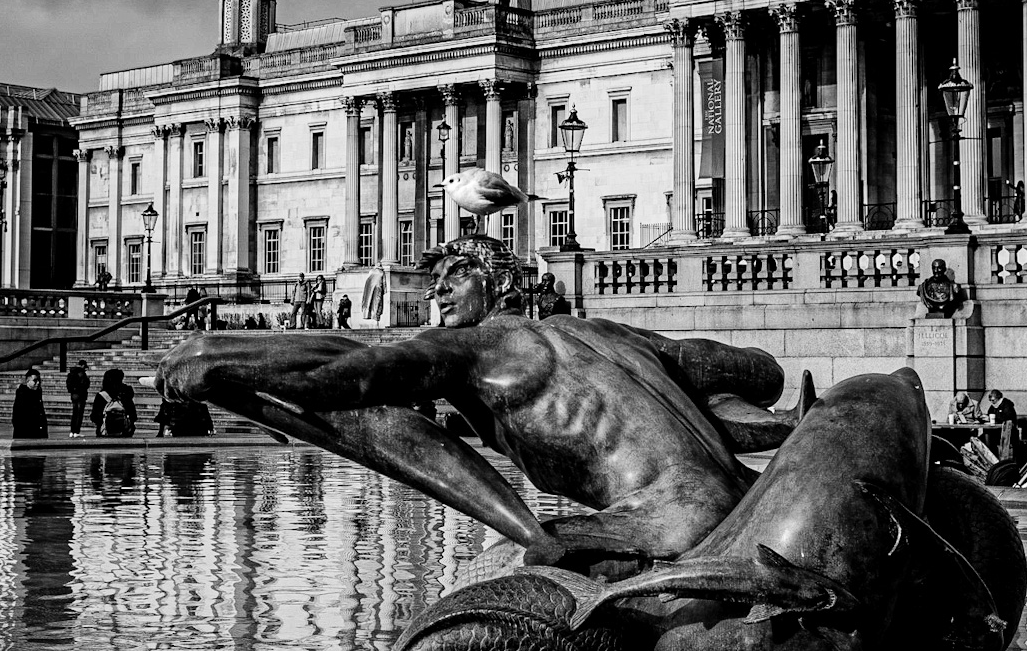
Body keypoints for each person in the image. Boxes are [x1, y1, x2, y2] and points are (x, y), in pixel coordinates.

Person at [156, 234, 799, 559]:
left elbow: (355, 373)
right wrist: (776, 413)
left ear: (487, 284)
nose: (437, 296)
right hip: (741, 508)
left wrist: (219, 357)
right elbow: (751, 372)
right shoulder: (603, 331)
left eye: (449, 280)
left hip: (665, 524)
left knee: (507, 580)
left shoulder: (481, 347)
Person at [92, 367, 138, 439]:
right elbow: (133, 415)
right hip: (124, 432)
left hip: (105, 432)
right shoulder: (125, 394)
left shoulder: (101, 395)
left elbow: (94, 416)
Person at [11, 367, 49, 440]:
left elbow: (41, 413)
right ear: (27, 381)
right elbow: (18, 415)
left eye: (39, 380)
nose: (38, 383)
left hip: (38, 433)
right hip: (26, 433)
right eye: (35, 380)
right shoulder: (22, 394)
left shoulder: (37, 392)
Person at [982, 388, 1018, 456]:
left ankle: (993, 458)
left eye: (993, 400)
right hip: (997, 431)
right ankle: (991, 457)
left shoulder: (1007, 405)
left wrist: (991, 418)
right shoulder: (994, 406)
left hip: (1008, 432)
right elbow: (989, 413)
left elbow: (1007, 418)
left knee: (988, 438)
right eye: (991, 400)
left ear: (998, 398)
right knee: (983, 438)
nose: (992, 402)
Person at [65, 359, 91, 437]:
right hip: (81, 395)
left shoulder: (72, 373)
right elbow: (85, 384)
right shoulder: (81, 374)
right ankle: (76, 431)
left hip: (74, 395)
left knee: (74, 413)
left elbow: (68, 384)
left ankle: (72, 431)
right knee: (79, 413)